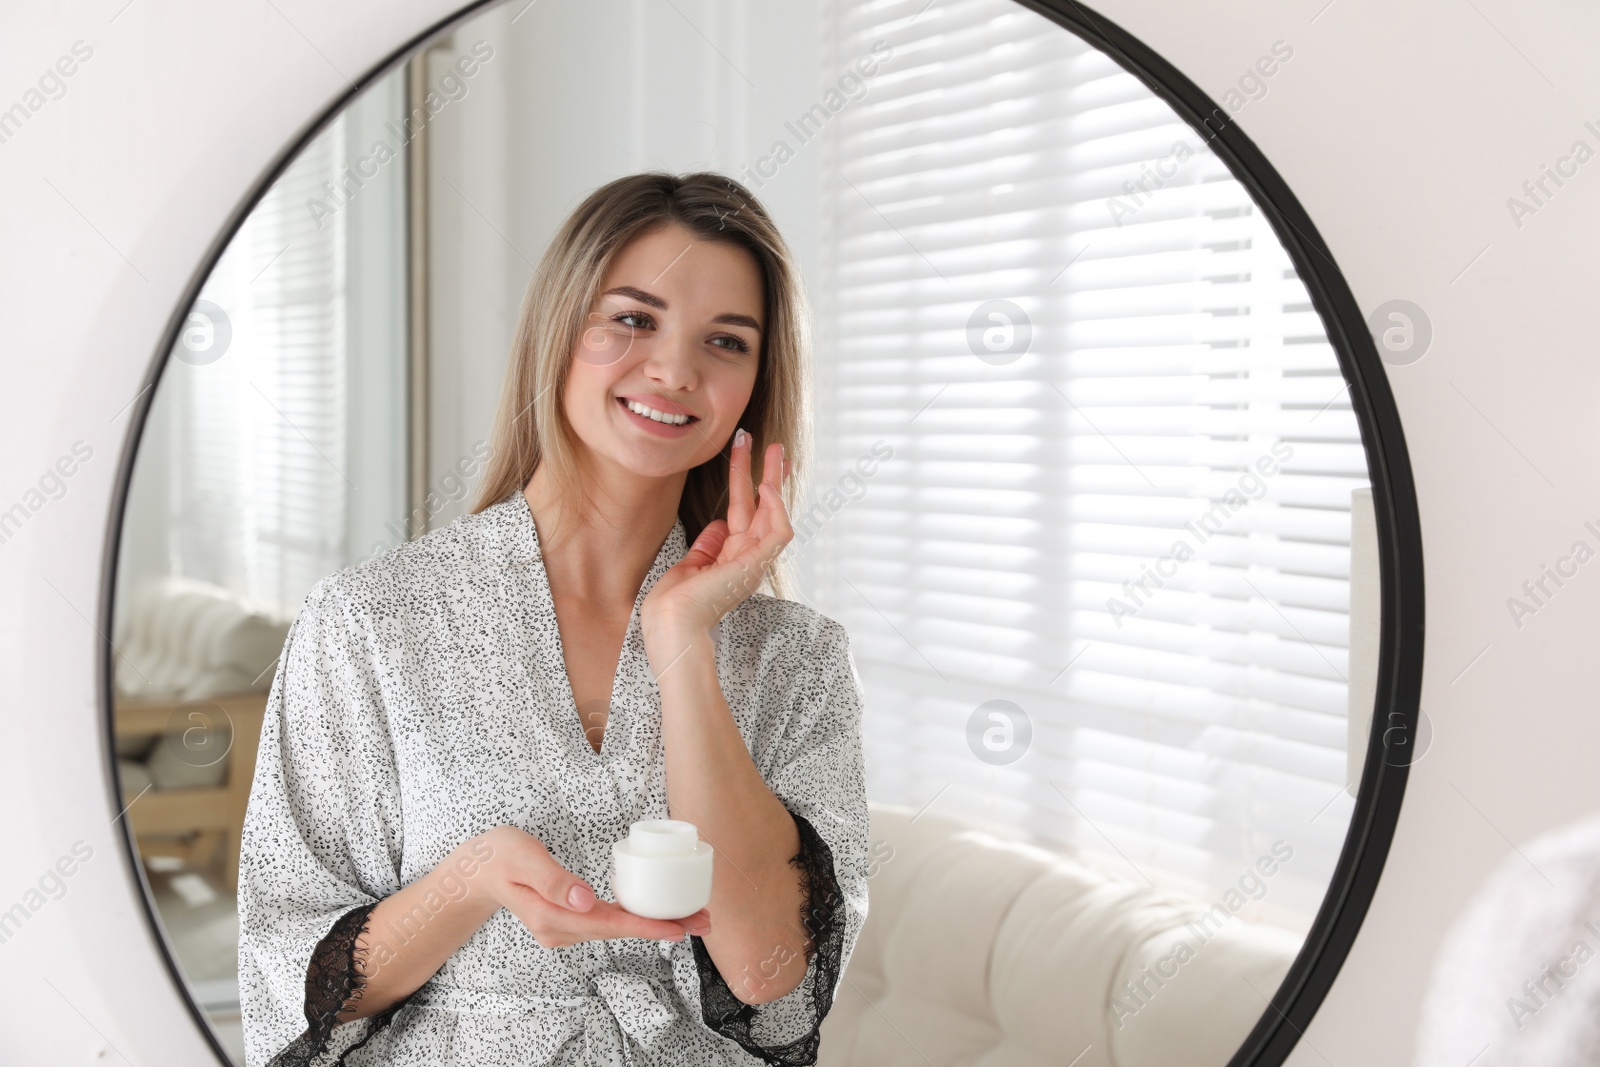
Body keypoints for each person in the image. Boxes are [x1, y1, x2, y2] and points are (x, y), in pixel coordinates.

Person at [237, 172, 871, 1066]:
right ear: (560, 325)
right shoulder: (370, 621)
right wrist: (472, 877)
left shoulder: (796, 659)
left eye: (725, 341)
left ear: (756, 384)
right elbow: (284, 981)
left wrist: (683, 642)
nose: (675, 370)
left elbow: (774, 984)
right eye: (633, 318)